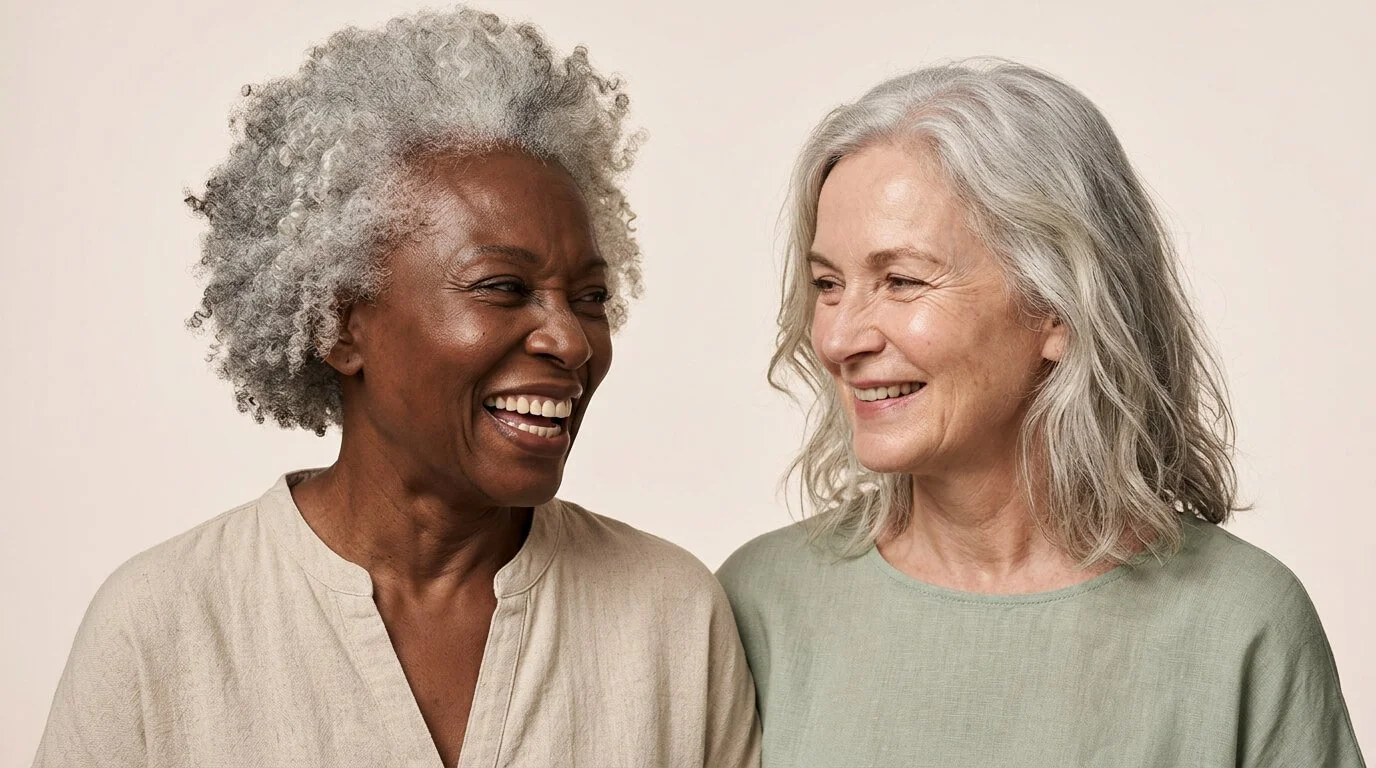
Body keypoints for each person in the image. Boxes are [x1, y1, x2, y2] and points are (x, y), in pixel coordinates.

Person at [35, 8, 759, 767]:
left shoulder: (670, 618)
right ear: (341, 325)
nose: (571, 341)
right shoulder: (164, 627)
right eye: (504, 287)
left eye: (588, 298)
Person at [717, 59, 1365, 766]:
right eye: (828, 284)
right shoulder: (759, 605)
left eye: (901, 281)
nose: (839, 338)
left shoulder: (1243, 624)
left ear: (1058, 307)